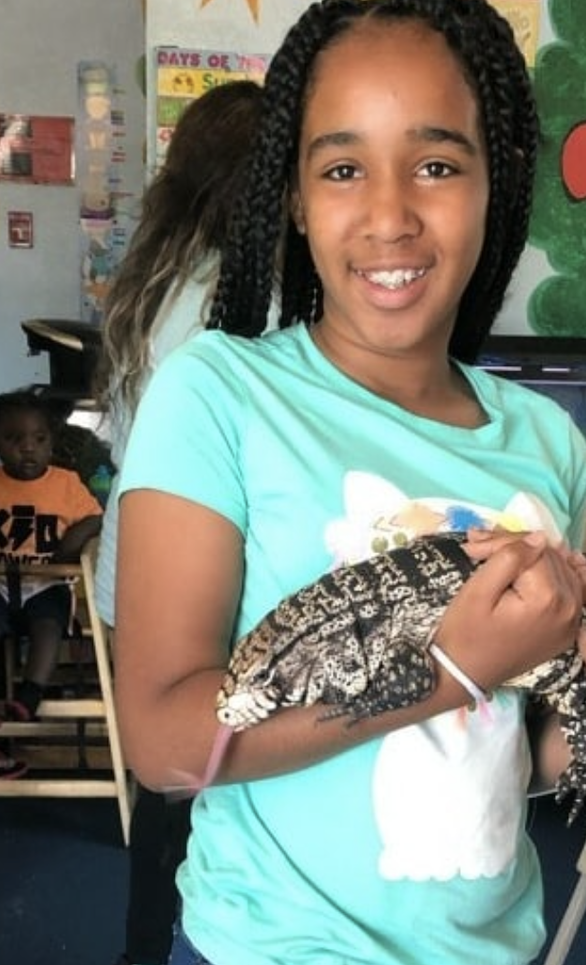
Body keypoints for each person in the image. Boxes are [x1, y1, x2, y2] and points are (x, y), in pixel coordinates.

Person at [114, 2, 586, 964]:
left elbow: (515, 751)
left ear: (496, 184)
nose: (389, 213)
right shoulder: (218, 394)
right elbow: (165, 744)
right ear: (293, 196)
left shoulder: (550, 441)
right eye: (341, 168)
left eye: (439, 164)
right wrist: (445, 671)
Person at [92, 79, 263, 965]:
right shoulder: (233, 301)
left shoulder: (151, 277)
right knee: (207, 777)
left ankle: (143, 948)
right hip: (199, 560)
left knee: (163, 791)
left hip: (133, 555)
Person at [0, 389, 103, 779]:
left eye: (38, 440)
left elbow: (95, 518)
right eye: (13, 439)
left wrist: (69, 546)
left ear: (50, 442)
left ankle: (29, 694)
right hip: (3, 584)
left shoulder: (65, 483)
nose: (27, 449)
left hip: (47, 581)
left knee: (49, 625)